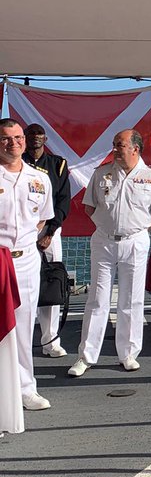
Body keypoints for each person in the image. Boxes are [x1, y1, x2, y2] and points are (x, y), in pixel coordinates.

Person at [69, 131, 151, 377]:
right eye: (114, 145)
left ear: (135, 148)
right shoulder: (101, 174)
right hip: (103, 241)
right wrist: (107, 224)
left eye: (120, 145)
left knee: (131, 300)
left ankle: (128, 354)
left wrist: (136, 229)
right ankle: (86, 356)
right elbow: (89, 205)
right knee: (97, 299)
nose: (115, 149)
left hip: (134, 242)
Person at [0, 119, 54, 415]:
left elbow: (43, 217)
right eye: (6, 138)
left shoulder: (39, 178)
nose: (14, 143)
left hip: (27, 260)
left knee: (23, 326)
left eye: (18, 137)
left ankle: (25, 388)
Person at [24, 123, 71, 357]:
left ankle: (50, 341)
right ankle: (20, 340)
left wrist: (50, 233)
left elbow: (63, 201)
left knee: (51, 284)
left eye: (39, 134)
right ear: (25, 137)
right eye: (31, 134)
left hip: (50, 232)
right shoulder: (15, 164)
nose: (35, 137)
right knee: (22, 286)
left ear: (45, 137)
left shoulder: (57, 164)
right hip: (22, 233)